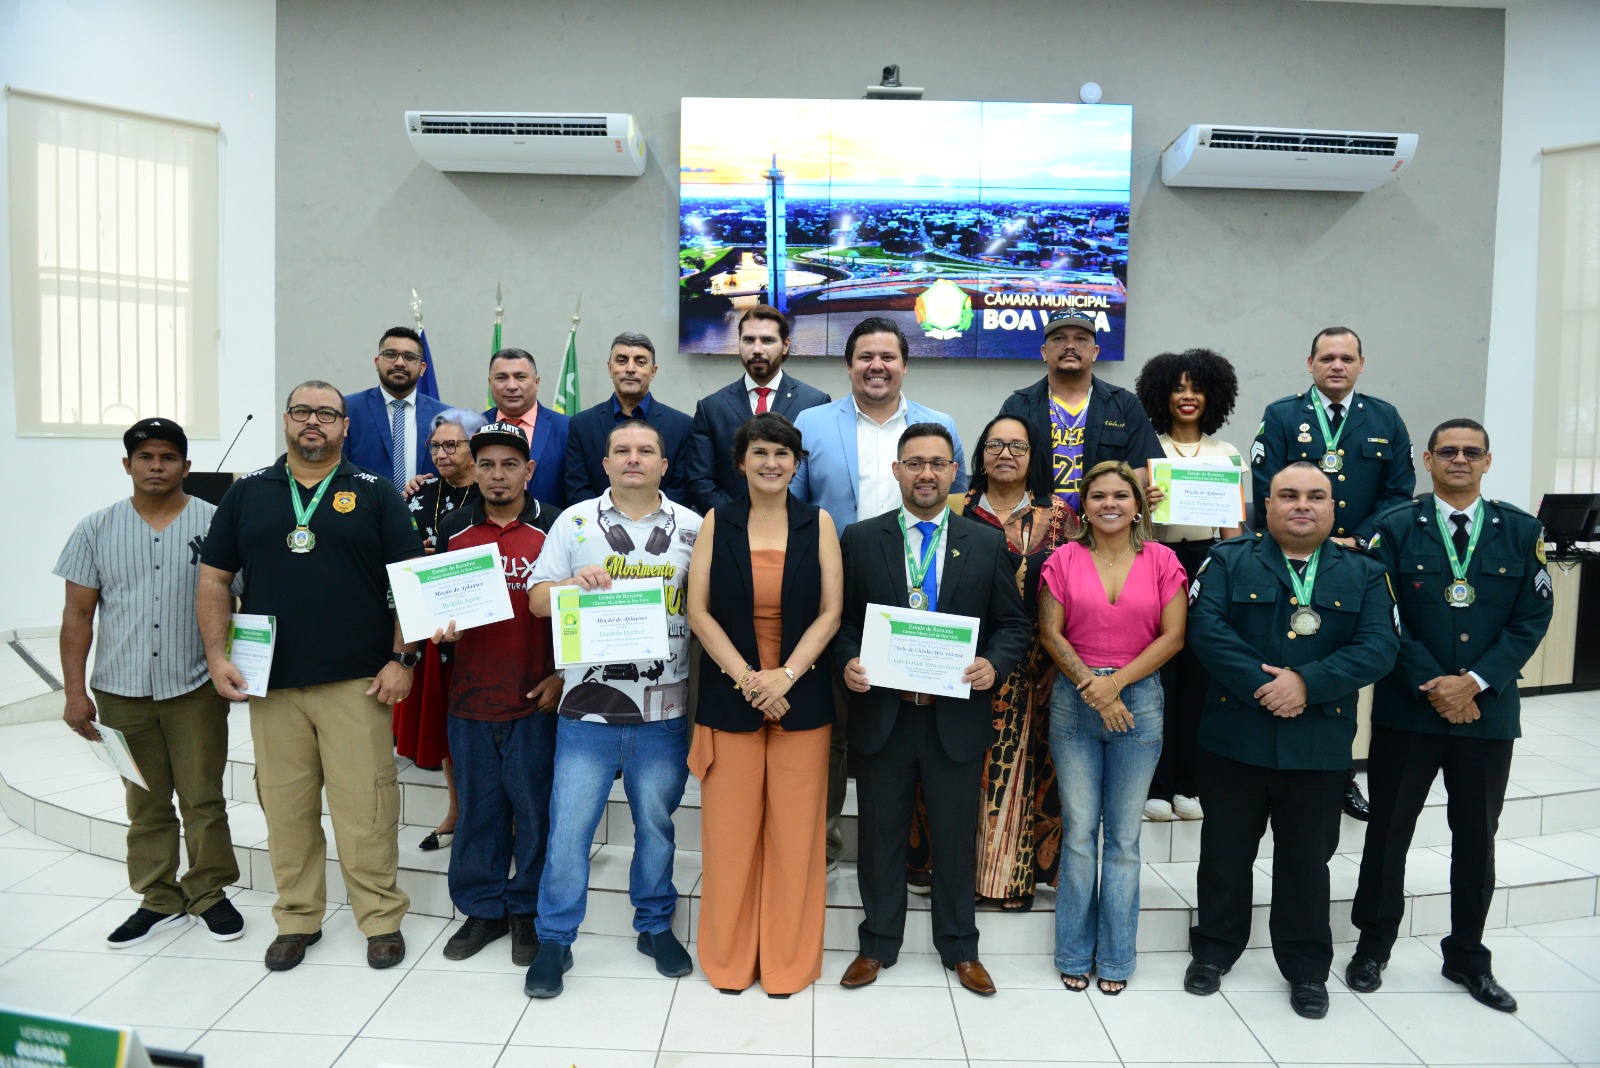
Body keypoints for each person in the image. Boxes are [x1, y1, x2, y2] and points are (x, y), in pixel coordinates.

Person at [197, 381, 425, 971]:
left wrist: (402, 659)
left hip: (357, 683)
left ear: (346, 426)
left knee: (366, 810)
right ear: (286, 421)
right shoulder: (247, 493)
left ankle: (380, 919)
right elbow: (215, 579)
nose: (314, 422)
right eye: (303, 412)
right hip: (270, 684)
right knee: (285, 809)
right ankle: (298, 918)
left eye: (327, 413)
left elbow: (411, 581)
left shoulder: (374, 492)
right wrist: (217, 655)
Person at [1348, 419, 1553, 1012]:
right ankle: (1373, 946)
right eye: (1447, 452)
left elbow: (1530, 619)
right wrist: (1435, 684)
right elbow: (1382, 614)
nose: (1459, 460)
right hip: (1408, 713)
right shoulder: (1393, 529)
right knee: (1388, 835)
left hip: (1486, 716)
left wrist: (1474, 683)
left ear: (1487, 461)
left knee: (1476, 840)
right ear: (1428, 461)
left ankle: (1467, 955)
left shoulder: (1520, 530)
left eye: (1471, 452)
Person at [1183, 462, 1399, 1019]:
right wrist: (1268, 687)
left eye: (1315, 496)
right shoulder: (1228, 561)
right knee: (1225, 855)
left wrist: (1307, 683)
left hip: (1318, 745)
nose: (1301, 505)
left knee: (1307, 862)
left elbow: (1379, 647)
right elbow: (1206, 632)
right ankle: (1213, 951)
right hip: (1235, 739)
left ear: (1332, 508)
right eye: (1288, 495)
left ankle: (1305, 968)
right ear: (1267, 505)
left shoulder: (1366, 573)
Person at [834, 423, 1030, 997]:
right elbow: (843, 623)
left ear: (954, 475)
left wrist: (993, 664)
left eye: (938, 464)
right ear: (897, 471)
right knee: (880, 837)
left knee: (952, 836)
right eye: (914, 463)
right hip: (884, 716)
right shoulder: (861, 538)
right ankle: (876, 946)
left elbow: (1014, 625)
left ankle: (960, 950)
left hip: (956, 717)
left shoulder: (986, 543)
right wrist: (848, 662)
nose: (926, 473)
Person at [523, 419, 703, 998]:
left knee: (656, 826)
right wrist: (573, 583)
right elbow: (535, 601)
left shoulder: (694, 529)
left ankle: (654, 926)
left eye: (645, 450)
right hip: (586, 712)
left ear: (663, 464)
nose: (633, 458)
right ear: (604, 463)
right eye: (621, 450)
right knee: (570, 830)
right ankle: (554, 939)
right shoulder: (574, 522)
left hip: (664, 712)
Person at [55, 418, 242, 948]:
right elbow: (77, 616)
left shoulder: (217, 523)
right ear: (127, 465)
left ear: (186, 465)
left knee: (203, 798)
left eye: (167, 457)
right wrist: (74, 692)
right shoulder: (95, 528)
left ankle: (208, 892)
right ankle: (159, 898)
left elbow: (245, 604)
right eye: (145, 457)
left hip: (195, 687)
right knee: (145, 800)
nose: (155, 466)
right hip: (121, 690)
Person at [791, 316, 967, 870]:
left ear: (904, 365)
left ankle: (914, 854)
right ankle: (825, 848)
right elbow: (793, 506)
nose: (876, 366)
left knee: (913, 726)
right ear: (848, 365)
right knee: (838, 722)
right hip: (837, 591)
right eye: (865, 356)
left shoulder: (939, 423)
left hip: (922, 597)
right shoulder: (812, 423)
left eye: (887, 357)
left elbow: (954, 505)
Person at [686, 411, 843, 996]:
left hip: (801, 697)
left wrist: (786, 677)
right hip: (733, 696)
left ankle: (787, 963)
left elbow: (832, 611)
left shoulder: (818, 523)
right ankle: (728, 961)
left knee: (796, 838)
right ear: (741, 463)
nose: (772, 463)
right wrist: (752, 680)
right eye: (760, 453)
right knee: (729, 838)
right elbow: (696, 610)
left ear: (796, 463)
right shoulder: (716, 522)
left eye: (782, 453)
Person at [906, 415, 1075, 908]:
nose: (1006, 453)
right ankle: (945, 873)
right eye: (995, 444)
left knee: (1020, 775)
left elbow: (1075, 589)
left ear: (1033, 455)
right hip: (946, 664)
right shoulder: (953, 507)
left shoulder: (1060, 517)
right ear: (979, 455)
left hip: (1035, 670)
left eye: (1018, 446)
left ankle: (1006, 882)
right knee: (951, 770)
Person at [1250, 326, 1416, 822]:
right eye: (1327, 357)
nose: (1337, 365)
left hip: (1355, 565)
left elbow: (1398, 492)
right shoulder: (1282, 415)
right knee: (1289, 654)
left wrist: (1358, 541)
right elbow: (1267, 485)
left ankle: (1338, 775)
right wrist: (1311, 533)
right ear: (1310, 363)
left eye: (1346, 358)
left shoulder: (1385, 418)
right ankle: (1267, 765)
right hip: (1290, 560)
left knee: (1341, 668)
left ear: (1361, 364)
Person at [1037, 461, 1187, 993]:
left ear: (1138, 503)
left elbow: (1172, 638)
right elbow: (1050, 633)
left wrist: (1115, 684)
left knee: (1122, 839)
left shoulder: (1164, 560)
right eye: (1097, 495)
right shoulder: (1063, 559)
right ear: (1083, 504)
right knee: (1079, 834)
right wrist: (1091, 686)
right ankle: (1074, 954)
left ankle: (1118, 959)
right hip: (1075, 702)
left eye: (1120, 495)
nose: (1109, 504)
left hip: (1139, 700)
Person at [431, 421, 563, 967]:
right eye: (486, 463)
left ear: (528, 471)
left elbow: (574, 609)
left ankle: (525, 910)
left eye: (510, 464)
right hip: (471, 700)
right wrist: (440, 627)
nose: (497, 474)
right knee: (480, 810)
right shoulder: (454, 529)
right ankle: (481, 909)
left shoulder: (557, 527)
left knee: (533, 812)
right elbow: (437, 606)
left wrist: (562, 675)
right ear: (472, 467)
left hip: (535, 698)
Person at [1134, 348, 1243, 821]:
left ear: (1212, 395)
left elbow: (1233, 533)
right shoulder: (1145, 447)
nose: (1187, 396)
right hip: (1154, 560)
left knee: (1199, 674)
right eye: (1177, 387)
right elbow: (1129, 523)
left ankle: (1188, 784)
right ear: (1161, 394)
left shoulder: (1227, 454)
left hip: (1207, 563)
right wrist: (1144, 501)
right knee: (1158, 674)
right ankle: (1154, 785)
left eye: (1196, 387)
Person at [394, 408, 488, 850]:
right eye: (435, 446)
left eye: (453, 444)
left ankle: (494, 815)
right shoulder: (418, 491)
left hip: (480, 624)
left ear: (474, 447)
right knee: (448, 724)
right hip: (428, 622)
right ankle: (455, 809)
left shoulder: (492, 491)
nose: (442, 453)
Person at [998, 309, 1163, 514]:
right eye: (1058, 338)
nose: (1069, 346)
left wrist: (1123, 501)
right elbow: (1000, 464)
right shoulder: (1018, 406)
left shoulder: (1124, 404)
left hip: (1104, 526)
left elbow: (1144, 465)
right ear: (1043, 352)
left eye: (1081, 339)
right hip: (1035, 529)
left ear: (1095, 352)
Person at [682, 304, 831, 514]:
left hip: (797, 530)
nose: (757, 349)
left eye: (768, 340)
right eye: (749, 340)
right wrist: (740, 519)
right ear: (739, 343)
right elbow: (700, 481)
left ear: (786, 345)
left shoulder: (815, 402)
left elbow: (820, 478)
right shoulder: (711, 408)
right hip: (730, 530)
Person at [564, 332, 694, 506]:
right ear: (610, 368)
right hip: (597, 528)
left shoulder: (682, 426)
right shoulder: (582, 425)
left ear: (653, 371)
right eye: (622, 360)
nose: (630, 368)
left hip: (661, 529)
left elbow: (680, 490)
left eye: (640, 362)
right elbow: (577, 488)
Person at [343, 326, 452, 490]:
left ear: (422, 368)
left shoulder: (445, 416)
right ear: (377, 362)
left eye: (409, 357)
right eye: (390, 355)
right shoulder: (348, 409)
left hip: (427, 513)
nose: (400, 363)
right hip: (364, 511)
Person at [483, 347, 571, 508]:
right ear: (490, 383)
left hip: (551, 529)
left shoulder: (567, 429)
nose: (511, 386)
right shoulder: (474, 427)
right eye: (501, 378)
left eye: (520, 377)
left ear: (536, 383)